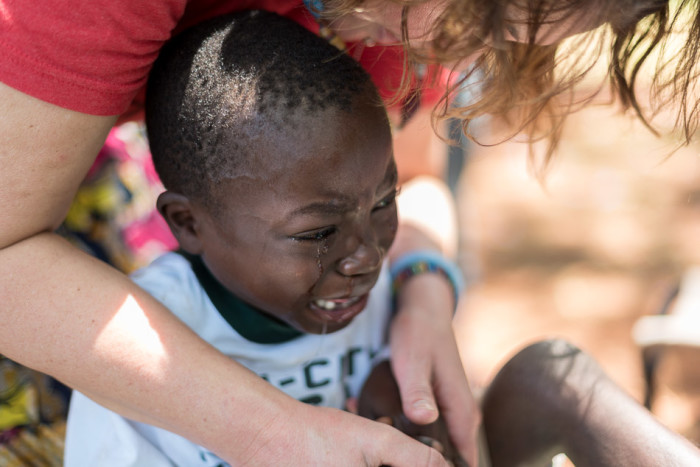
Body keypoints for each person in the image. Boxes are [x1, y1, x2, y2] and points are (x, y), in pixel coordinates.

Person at [1, 0, 694, 464]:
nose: (366, 256)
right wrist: (277, 432)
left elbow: (415, 174)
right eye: (496, 18)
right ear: (184, 222)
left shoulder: (344, 261)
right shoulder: (160, 328)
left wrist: (425, 288)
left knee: (549, 379)